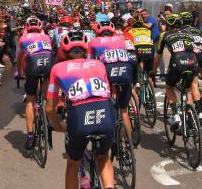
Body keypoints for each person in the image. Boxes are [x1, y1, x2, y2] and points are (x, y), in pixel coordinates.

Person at [46, 31, 115, 189]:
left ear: (64, 51)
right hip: (106, 114)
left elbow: (49, 107)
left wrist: (57, 126)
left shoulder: (57, 68)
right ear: (85, 50)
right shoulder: (99, 65)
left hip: (79, 118)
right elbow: (108, 92)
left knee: (73, 163)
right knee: (104, 157)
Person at [88, 21, 136, 136]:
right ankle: (127, 145)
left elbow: (90, 62)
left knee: (104, 103)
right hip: (127, 68)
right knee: (124, 110)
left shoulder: (93, 42)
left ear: (98, 32)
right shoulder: (120, 39)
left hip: (108, 69)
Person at [153, 14, 198, 131]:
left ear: (168, 26)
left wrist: (153, 72)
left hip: (177, 63)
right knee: (188, 89)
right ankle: (190, 116)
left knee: (169, 87)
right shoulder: (189, 34)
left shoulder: (164, 35)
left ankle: (177, 115)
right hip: (193, 62)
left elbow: (158, 58)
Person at [17, 16, 53, 150]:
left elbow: (20, 59)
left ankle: (30, 135)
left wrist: (20, 73)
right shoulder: (47, 37)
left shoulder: (23, 39)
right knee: (46, 93)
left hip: (32, 67)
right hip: (47, 65)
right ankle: (49, 116)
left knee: (30, 100)